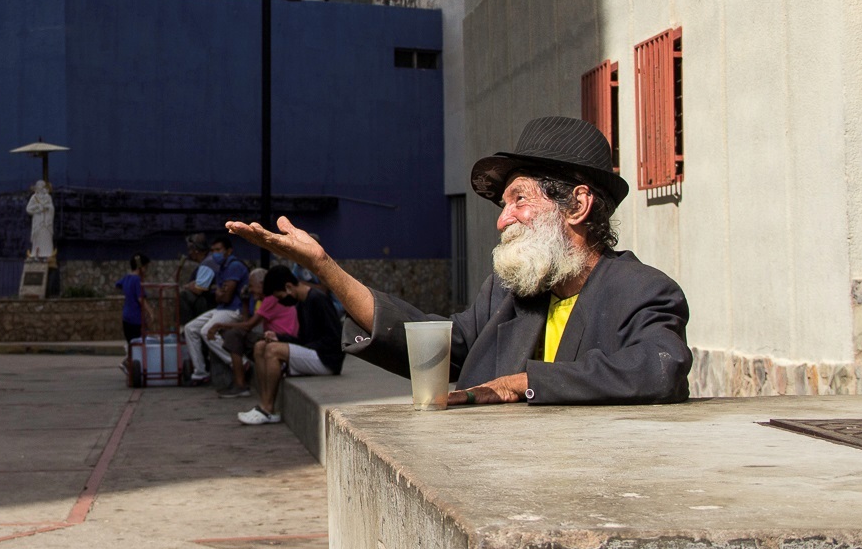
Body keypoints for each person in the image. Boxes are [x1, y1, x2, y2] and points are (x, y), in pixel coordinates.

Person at [229, 116, 690, 407]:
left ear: (577, 206)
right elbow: (437, 346)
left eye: (519, 200)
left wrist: (524, 382)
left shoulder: (642, 290)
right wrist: (325, 266)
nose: (503, 219)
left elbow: (658, 368)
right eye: (503, 205)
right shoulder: (509, 294)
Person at [235, 264, 343, 424]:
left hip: (327, 359)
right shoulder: (302, 303)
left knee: (272, 350)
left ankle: (267, 408)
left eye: (280, 297)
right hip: (313, 353)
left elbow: (334, 340)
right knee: (260, 346)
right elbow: (302, 339)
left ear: (289, 287)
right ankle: (264, 405)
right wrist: (279, 338)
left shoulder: (318, 300)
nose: (281, 301)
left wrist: (294, 349)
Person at [208, 266, 300, 398]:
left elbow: (248, 326)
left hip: (281, 339)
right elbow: (247, 322)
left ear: (262, 284)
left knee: (234, 335)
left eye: (252, 286)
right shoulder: (265, 300)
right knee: (235, 334)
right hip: (273, 337)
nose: (250, 290)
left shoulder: (271, 299)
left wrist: (218, 325)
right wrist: (245, 302)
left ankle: (240, 384)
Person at [180, 234, 251, 385]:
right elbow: (219, 294)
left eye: (218, 250)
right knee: (190, 328)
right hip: (222, 308)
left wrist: (220, 293)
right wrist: (220, 293)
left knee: (207, 330)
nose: (215, 253)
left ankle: (239, 363)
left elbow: (224, 296)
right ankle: (200, 372)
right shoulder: (223, 267)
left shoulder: (234, 265)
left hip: (234, 310)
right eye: (213, 250)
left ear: (229, 251)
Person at [116, 252, 151, 344]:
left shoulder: (127, 278)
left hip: (126, 317)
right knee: (138, 346)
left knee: (131, 344)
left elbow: (118, 285)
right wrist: (151, 311)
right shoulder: (137, 280)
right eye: (146, 268)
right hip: (136, 318)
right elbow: (141, 298)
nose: (146, 270)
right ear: (141, 267)